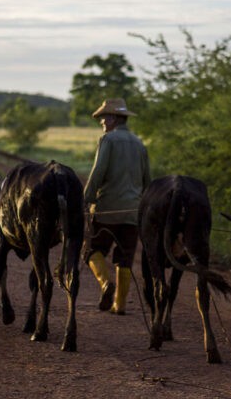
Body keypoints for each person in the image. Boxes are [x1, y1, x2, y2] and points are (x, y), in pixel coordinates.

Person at [84, 98, 151, 315]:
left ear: (113, 118)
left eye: (104, 118)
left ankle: (105, 283)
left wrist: (86, 198)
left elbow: (98, 172)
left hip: (107, 209)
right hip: (133, 211)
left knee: (93, 250)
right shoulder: (139, 143)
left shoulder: (108, 140)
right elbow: (147, 179)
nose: (102, 122)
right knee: (125, 256)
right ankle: (119, 305)